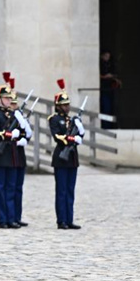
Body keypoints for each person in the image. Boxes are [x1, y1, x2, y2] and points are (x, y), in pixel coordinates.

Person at [48, 78, 85, 229]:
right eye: (63, 105)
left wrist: (79, 133)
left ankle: (69, 219)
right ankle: (61, 220)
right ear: (58, 106)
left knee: (70, 190)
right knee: (61, 190)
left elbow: (80, 137)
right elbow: (57, 137)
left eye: (68, 104)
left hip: (72, 158)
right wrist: (71, 138)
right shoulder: (54, 119)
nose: (67, 107)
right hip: (61, 157)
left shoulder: (72, 120)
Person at [0, 73, 22, 229]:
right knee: (0, 189)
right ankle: (2, 219)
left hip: (13, 155)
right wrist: (9, 134)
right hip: (0, 155)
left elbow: (22, 131)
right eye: (6, 98)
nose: (9, 100)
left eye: (10, 98)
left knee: (11, 188)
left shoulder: (14, 114)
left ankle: (11, 217)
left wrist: (20, 133)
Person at [8, 78, 33, 227]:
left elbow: (26, 133)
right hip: (9, 155)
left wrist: (24, 138)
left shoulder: (18, 116)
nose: (14, 106)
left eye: (15, 103)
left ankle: (17, 216)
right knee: (10, 189)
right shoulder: (7, 117)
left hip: (19, 155)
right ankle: (10, 217)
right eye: (11, 103)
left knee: (18, 188)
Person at [100, 50, 121, 129]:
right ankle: (105, 126)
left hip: (109, 88)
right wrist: (106, 77)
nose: (107, 58)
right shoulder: (100, 64)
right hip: (103, 89)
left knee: (110, 109)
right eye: (106, 56)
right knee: (105, 108)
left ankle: (110, 125)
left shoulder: (109, 64)